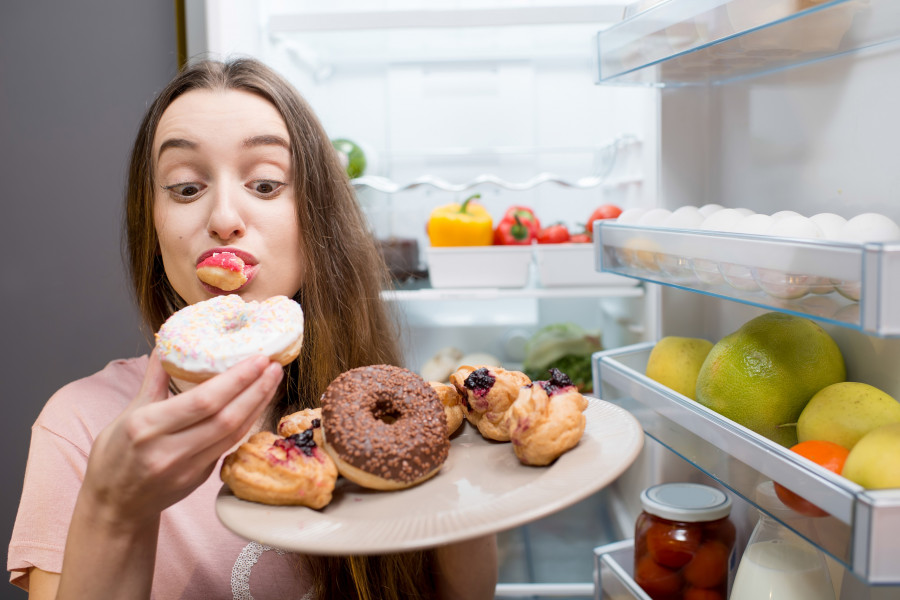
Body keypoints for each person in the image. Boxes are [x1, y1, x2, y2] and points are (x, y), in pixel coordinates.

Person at [8, 57, 498, 600]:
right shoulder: (80, 428)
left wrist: (466, 477)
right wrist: (115, 506)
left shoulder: (383, 415)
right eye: (185, 188)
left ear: (317, 220)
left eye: (265, 184)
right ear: (151, 223)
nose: (223, 216)